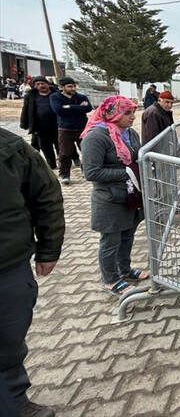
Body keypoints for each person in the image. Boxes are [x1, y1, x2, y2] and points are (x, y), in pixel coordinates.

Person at [0, 128, 65, 417]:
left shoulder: (9, 147)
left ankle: (14, 404)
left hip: (7, 268)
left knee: (7, 344)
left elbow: (46, 195)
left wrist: (49, 248)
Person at [81, 96, 147, 297]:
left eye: (133, 112)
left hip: (130, 197)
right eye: (127, 113)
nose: (133, 117)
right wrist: (127, 172)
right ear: (112, 113)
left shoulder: (130, 134)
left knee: (127, 236)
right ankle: (110, 279)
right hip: (110, 200)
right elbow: (91, 172)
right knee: (110, 242)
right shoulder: (96, 137)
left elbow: (139, 157)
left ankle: (125, 270)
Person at [50, 77, 92, 185]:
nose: (73, 88)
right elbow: (58, 110)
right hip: (65, 129)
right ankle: (64, 174)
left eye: (74, 86)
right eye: (69, 86)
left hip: (82, 128)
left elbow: (88, 108)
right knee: (64, 153)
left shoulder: (81, 97)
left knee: (87, 151)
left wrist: (69, 107)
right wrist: (78, 108)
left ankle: (86, 171)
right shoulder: (55, 97)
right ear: (62, 87)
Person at [20, 75, 60, 169]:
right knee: (45, 146)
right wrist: (24, 123)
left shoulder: (56, 94)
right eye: (37, 84)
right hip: (40, 126)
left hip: (57, 125)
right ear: (34, 86)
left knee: (60, 145)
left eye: (43, 83)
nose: (41, 86)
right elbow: (25, 110)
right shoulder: (30, 96)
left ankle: (64, 163)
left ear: (48, 84)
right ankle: (52, 165)